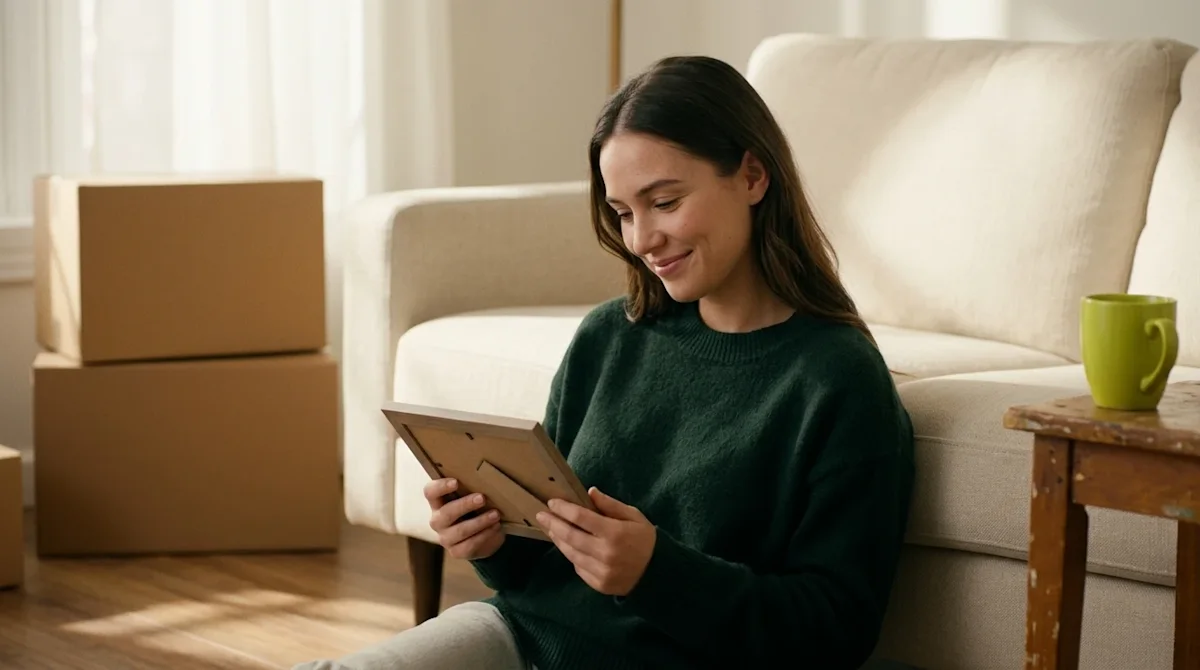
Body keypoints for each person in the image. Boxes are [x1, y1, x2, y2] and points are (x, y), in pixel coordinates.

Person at [295, 54, 915, 670]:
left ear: (753, 176)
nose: (642, 240)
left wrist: (656, 573)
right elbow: (534, 568)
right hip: (520, 637)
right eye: (623, 212)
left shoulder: (837, 381)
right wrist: (489, 540)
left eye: (665, 202)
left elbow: (834, 631)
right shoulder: (609, 336)